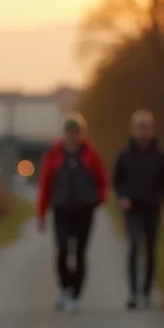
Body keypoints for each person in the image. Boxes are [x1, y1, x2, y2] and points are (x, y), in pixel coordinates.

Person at [36, 113, 109, 314]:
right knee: (61, 251)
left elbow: (102, 180)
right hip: (61, 210)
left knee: (80, 253)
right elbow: (45, 186)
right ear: (64, 134)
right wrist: (41, 214)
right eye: (68, 132)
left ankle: (75, 295)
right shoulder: (54, 156)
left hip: (84, 211)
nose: (72, 136)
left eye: (75, 132)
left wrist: (99, 199)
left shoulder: (91, 155)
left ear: (81, 134)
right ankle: (64, 289)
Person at [113, 109, 164, 309]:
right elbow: (117, 181)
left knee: (150, 250)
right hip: (132, 209)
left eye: (146, 127)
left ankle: (147, 290)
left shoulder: (160, 157)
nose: (143, 131)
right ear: (132, 130)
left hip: (152, 208)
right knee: (133, 246)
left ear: (152, 130)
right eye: (139, 127)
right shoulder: (124, 156)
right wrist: (122, 197)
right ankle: (133, 293)